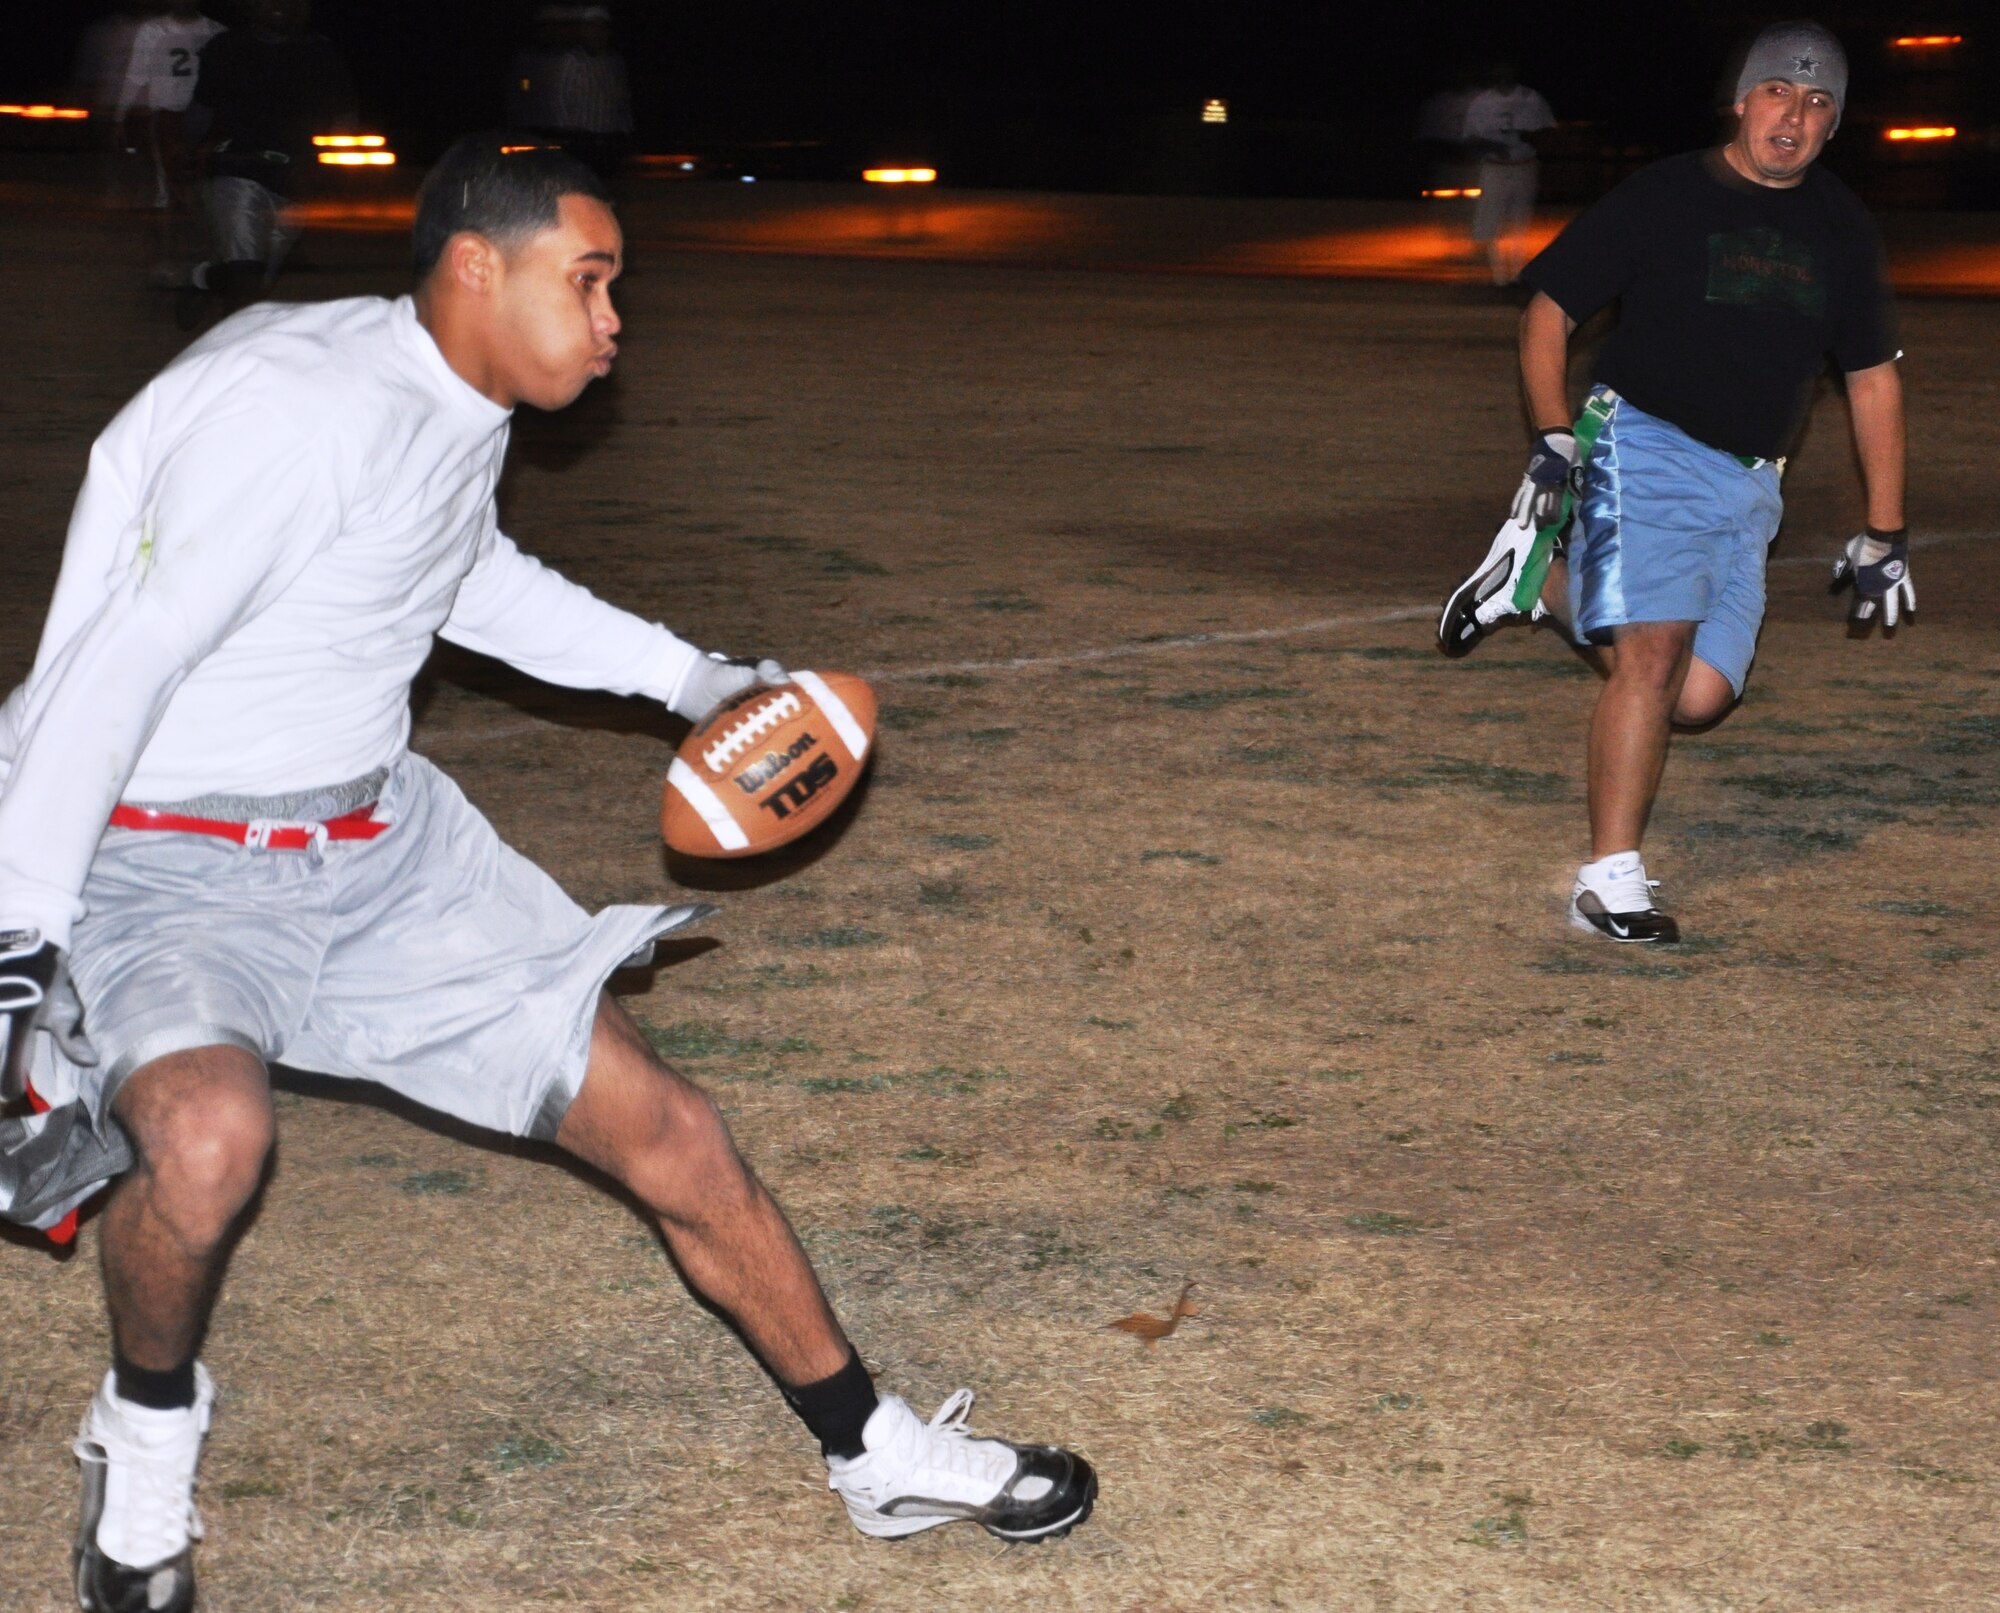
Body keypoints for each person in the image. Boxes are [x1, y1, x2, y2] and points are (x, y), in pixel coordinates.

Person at [0, 135, 1094, 1613]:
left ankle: (876, 1449)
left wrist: (695, 679)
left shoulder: (450, 399)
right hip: (174, 861)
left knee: (676, 1135)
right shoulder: (299, 412)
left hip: (379, 847)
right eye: (588, 281)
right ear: (474, 264)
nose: (612, 319)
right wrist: (18, 936)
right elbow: (109, 667)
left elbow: (463, 573)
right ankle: (139, 1463)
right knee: (204, 1146)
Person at [1435, 21, 1907, 944]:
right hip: (1641, 443)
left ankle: (1533, 580)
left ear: (1834, 124)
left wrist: (1885, 530)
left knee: (1699, 696)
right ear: (1742, 100)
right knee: (1651, 658)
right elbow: (1550, 312)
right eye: (1779, 93)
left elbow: (1871, 376)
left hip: (1751, 485)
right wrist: (1557, 439)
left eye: (1819, 104)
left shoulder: (1842, 226)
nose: (1794, 116)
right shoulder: (1665, 195)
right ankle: (1609, 881)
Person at [176, 0, 356, 323]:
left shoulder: (321, 53)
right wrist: (188, 155)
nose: (280, 7)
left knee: (257, 279)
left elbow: (345, 115)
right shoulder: (227, 47)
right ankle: (233, 360)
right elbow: (200, 111)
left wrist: (326, 165)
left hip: (293, 178)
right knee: (245, 280)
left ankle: (204, 278)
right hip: (236, 169)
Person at [1461, 62, 1555, 287]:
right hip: (1495, 167)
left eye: (1507, 73)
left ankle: (1516, 275)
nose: (1503, 78)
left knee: (1519, 222)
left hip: (1524, 165)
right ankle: (1500, 278)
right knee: (1492, 222)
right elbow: (1470, 138)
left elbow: (1548, 130)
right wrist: (1492, 146)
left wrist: (1530, 137)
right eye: (1498, 73)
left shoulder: (1531, 99)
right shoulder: (1482, 102)